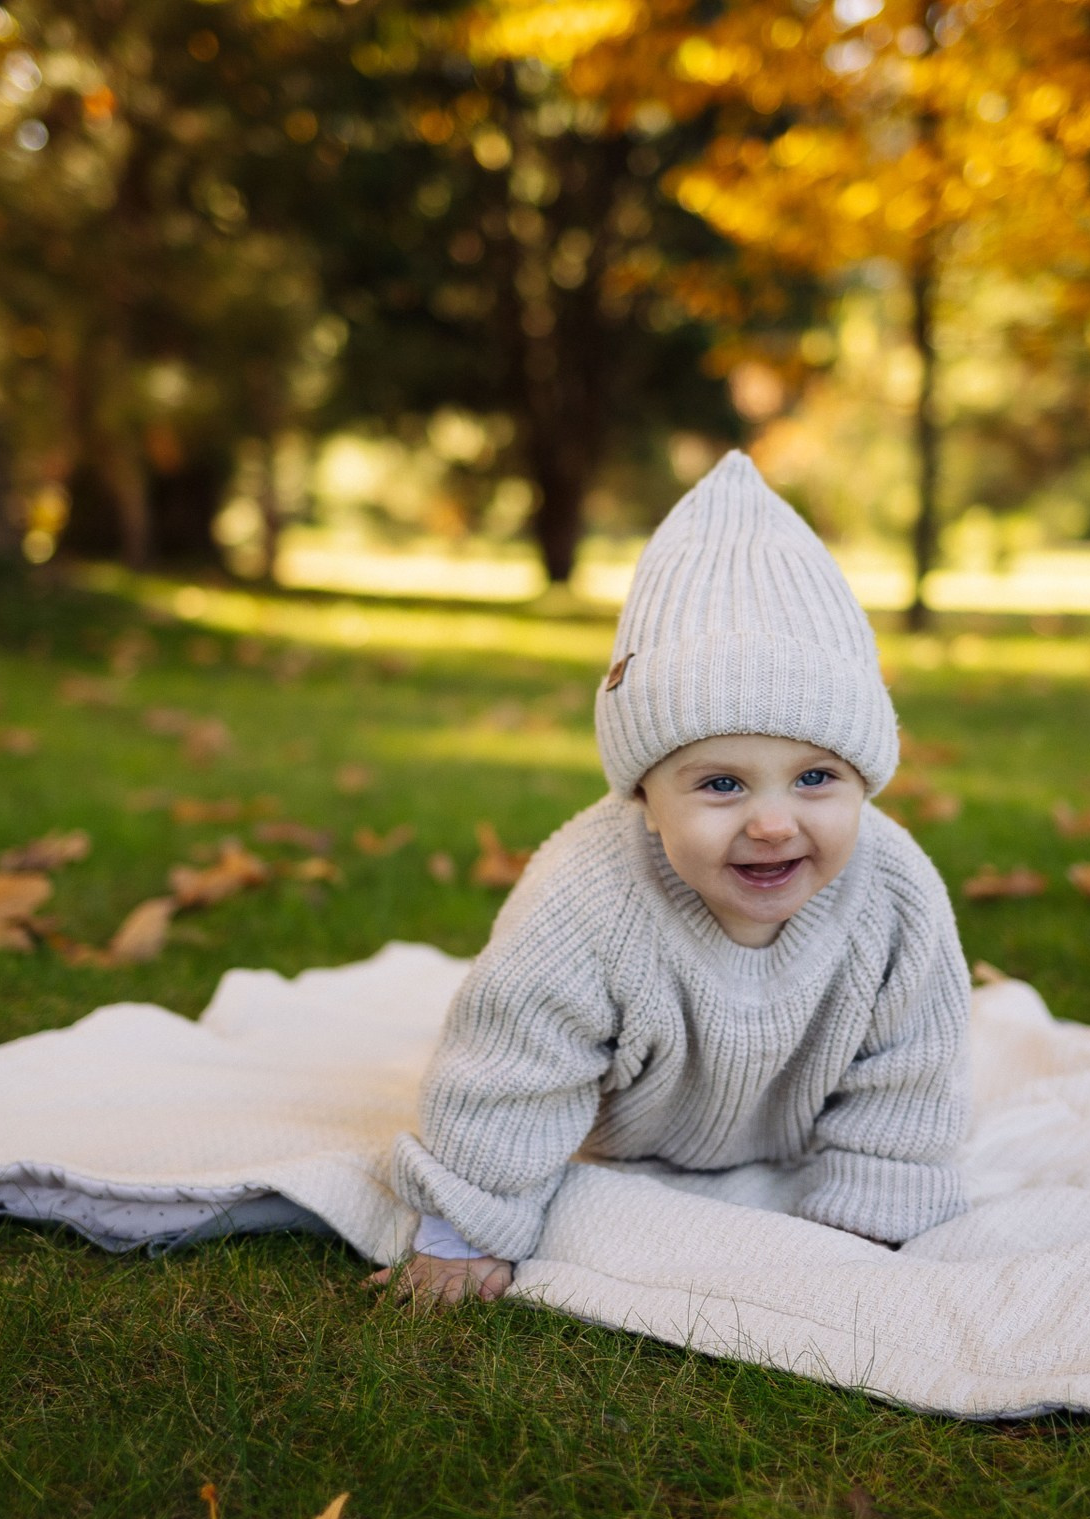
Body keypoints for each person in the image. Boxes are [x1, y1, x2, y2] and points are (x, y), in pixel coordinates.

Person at [372, 451, 973, 1305]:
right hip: (620, 1138)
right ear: (645, 798)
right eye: (722, 784)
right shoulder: (587, 901)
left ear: (867, 779)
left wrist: (868, 1214)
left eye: (816, 778)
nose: (773, 822)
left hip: (792, 1143)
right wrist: (464, 1230)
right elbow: (512, 1063)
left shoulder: (895, 892)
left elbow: (913, 1068)